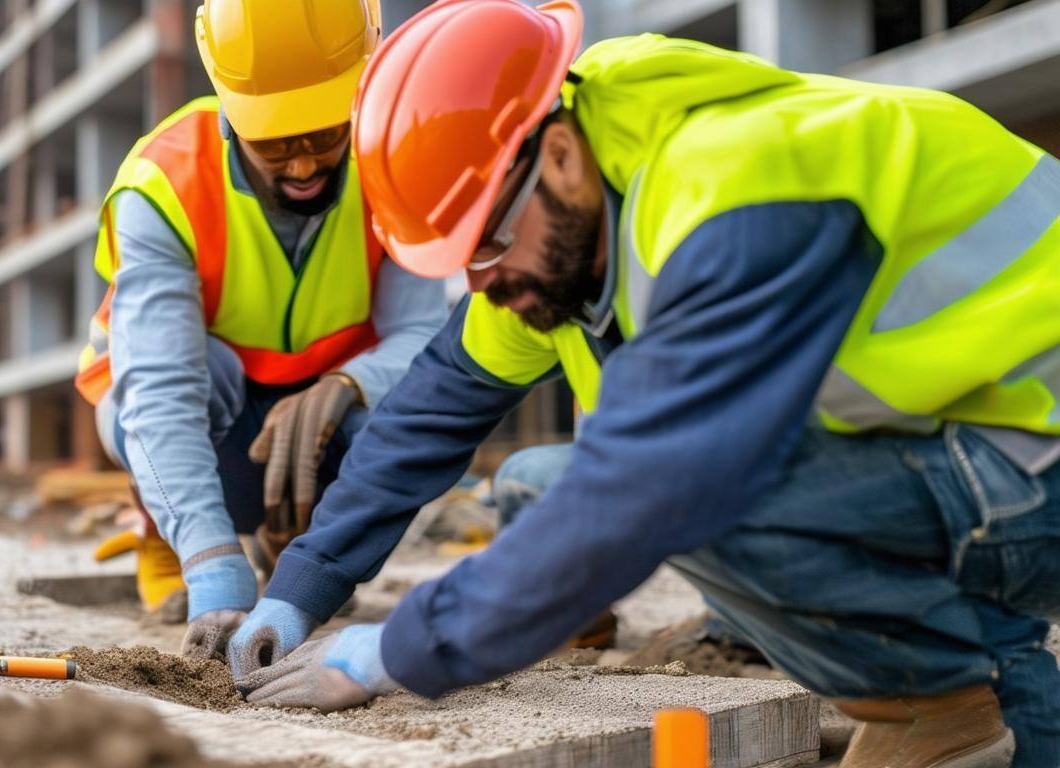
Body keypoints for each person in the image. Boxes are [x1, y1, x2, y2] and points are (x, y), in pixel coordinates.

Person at [229, 1, 1060, 766]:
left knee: (693, 493)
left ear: (556, 155)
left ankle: (994, 707)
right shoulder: (558, 217)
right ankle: (934, 706)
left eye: (485, 248)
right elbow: (430, 409)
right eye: (459, 264)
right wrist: (302, 592)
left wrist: (394, 651)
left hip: (1038, 453)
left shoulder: (738, 190)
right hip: (970, 439)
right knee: (557, 481)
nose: (480, 283)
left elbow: (648, 486)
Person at [75, 0, 445, 657]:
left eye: (324, 135)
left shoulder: (395, 160)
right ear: (228, 107)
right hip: (205, 411)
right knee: (169, 390)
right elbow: (159, 394)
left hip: (322, 415)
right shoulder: (162, 183)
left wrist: (349, 385)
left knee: (399, 409)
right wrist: (217, 575)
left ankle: (301, 545)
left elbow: (423, 338)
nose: (303, 167)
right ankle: (172, 539)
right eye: (275, 141)